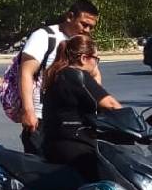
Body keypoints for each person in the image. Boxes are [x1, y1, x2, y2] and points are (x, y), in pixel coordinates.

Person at [17, 0, 100, 154]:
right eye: (84, 24)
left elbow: (95, 76)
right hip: (43, 118)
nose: (87, 30)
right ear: (69, 16)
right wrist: (28, 111)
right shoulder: (44, 36)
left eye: (91, 27)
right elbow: (25, 72)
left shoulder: (84, 42)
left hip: (77, 121)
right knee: (40, 170)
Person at [40, 35, 121, 181]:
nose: (97, 64)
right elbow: (111, 105)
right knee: (106, 180)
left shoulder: (59, 73)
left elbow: (93, 96)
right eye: (96, 59)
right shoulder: (76, 75)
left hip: (55, 143)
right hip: (74, 145)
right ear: (84, 58)